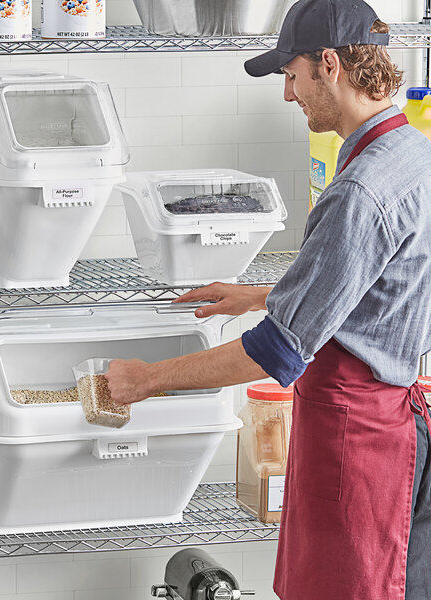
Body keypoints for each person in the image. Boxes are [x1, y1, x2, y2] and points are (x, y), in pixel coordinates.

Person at [104, 0, 431, 598]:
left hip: (352, 441)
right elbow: (377, 285)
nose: (287, 94)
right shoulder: (412, 154)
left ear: (328, 64)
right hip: (396, 426)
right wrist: (264, 293)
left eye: (291, 73)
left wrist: (146, 379)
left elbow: (275, 355)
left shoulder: (360, 189)